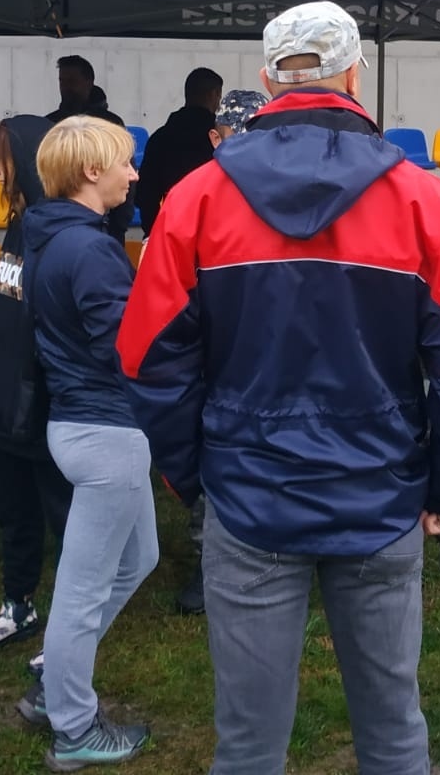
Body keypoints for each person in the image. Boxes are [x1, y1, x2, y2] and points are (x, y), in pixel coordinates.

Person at [117, 2, 440, 775]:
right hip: (381, 493)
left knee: (248, 745)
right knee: (393, 732)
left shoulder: (195, 198)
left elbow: (147, 358)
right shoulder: (422, 200)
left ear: (267, 81)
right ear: (355, 74)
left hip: (248, 495)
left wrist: (194, 477)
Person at [19, 115, 156, 771]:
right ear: (91, 171)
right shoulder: (91, 249)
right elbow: (125, 349)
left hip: (83, 425)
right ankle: (73, 725)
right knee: (81, 594)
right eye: (125, 162)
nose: (134, 174)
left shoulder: (48, 236)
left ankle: (57, 680)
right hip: (105, 434)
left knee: (139, 558)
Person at [0, 116, 74, 673]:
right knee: (12, 512)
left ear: (26, 161)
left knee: (66, 521)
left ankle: (72, 631)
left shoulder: (59, 234)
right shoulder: (20, 226)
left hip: (44, 407)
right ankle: (18, 606)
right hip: (6, 405)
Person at [162, 87, 268, 617]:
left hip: (271, 352)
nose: (246, 144)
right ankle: (210, 566)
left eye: (257, 134)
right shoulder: (192, 198)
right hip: (212, 353)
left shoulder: (284, 194)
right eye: (235, 134)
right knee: (214, 459)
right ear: (215, 136)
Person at [47, 55, 134, 244]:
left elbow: (126, 173)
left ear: (89, 82)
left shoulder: (111, 124)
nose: (66, 88)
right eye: (62, 81)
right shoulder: (51, 124)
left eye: (72, 81)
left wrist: (118, 226)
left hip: (107, 226)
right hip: (60, 222)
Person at [134, 66, 222, 237]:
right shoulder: (219, 139)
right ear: (214, 94)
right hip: (212, 233)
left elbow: (145, 195)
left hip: (170, 229)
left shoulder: (160, 137)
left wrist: (154, 234)